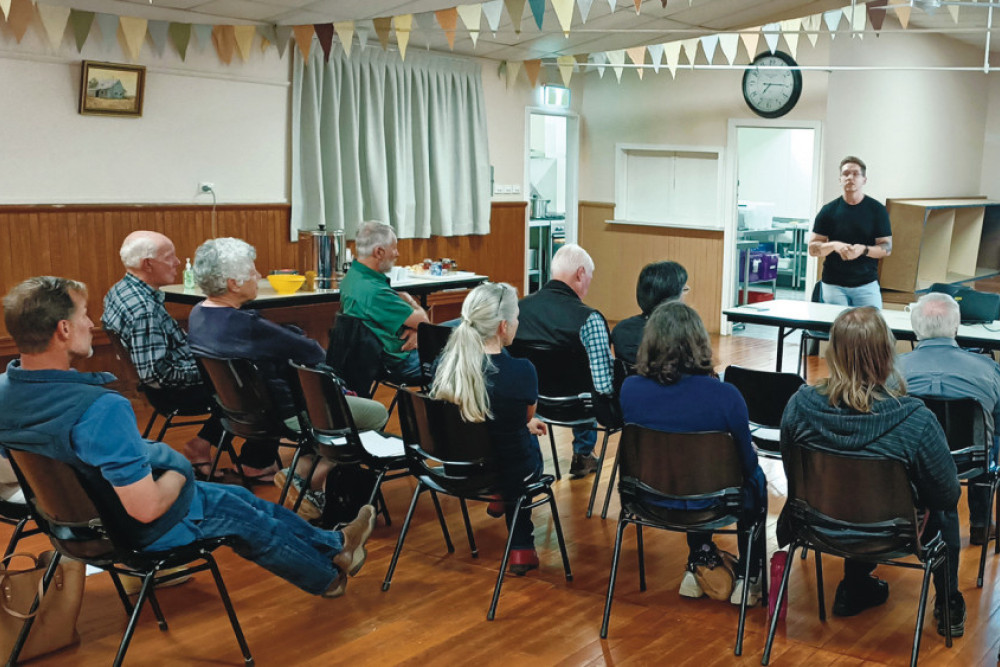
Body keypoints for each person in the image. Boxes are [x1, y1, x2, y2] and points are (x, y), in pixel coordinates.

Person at [0, 276, 376, 598]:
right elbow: (146, 509)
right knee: (242, 515)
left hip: (71, 525)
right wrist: (180, 469)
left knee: (239, 495)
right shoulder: (98, 409)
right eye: (83, 314)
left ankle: (336, 546)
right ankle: (328, 579)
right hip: (131, 530)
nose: (90, 322)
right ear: (63, 329)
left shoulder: (5, 392)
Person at [780, 307, 964, 636]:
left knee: (850, 487)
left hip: (815, 525)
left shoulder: (799, 405)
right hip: (893, 533)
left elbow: (792, 471)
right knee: (944, 509)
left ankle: (854, 587)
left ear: (833, 352)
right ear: (887, 355)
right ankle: (948, 603)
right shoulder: (915, 419)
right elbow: (947, 493)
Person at [186, 238, 389, 518]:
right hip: (286, 414)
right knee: (376, 413)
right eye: (252, 271)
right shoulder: (247, 326)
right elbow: (313, 351)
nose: (258, 276)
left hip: (238, 415)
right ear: (233, 283)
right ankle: (309, 472)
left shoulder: (198, 314)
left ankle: (307, 469)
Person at [619, 301, 767, 605]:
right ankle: (749, 576)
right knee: (754, 481)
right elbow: (747, 466)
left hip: (647, 499)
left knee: (685, 468)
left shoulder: (630, 389)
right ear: (699, 341)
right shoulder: (725, 396)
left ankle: (699, 561)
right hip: (716, 503)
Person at [430, 282, 548, 575]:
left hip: (458, 469)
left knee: (508, 441)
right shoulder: (522, 371)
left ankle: (498, 495)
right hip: (506, 470)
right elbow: (524, 416)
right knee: (526, 447)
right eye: (517, 317)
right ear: (503, 326)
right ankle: (521, 546)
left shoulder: (445, 365)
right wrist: (525, 425)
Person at [102, 230, 223, 477]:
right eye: (170, 257)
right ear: (148, 264)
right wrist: (213, 371)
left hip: (165, 383)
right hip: (172, 393)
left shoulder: (119, 290)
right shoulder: (144, 310)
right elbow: (156, 375)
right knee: (251, 387)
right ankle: (250, 460)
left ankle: (205, 445)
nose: (178, 262)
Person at [898, 291, 1000, 546]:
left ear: (915, 327)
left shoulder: (891, 370)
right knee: (991, 435)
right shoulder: (990, 370)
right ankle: (981, 523)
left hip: (907, 460)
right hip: (969, 460)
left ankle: (901, 519)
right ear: (955, 326)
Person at [514, 243, 612, 479]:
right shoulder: (589, 318)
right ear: (580, 273)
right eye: (589, 276)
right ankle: (583, 453)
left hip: (532, 405)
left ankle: (531, 460)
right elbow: (604, 386)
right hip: (576, 408)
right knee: (592, 382)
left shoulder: (518, 309)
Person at [339, 221, 430, 383]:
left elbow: (420, 327)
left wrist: (417, 332)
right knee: (469, 348)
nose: (397, 254)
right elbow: (424, 323)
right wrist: (411, 300)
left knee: (460, 330)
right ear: (379, 252)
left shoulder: (352, 278)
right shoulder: (375, 291)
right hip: (402, 362)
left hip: (381, 356)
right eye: (394, 248)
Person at [808, 156, 892, 308]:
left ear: (864, 180)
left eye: (855, 174)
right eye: (846, 174)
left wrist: (863, 250)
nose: (850, 178)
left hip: (866, 284)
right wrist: (834, 245)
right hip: (833, 285)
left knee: (871, 329)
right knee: (837, 329)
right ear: (840, 179)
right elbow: (813, 249)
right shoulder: (828, 211)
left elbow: (887, 248)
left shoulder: (877, 210)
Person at [610, 261, 688, 366]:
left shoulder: (620, 330)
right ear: (670, 296)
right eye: (684, 290)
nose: (685, 297)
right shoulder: (683, 333)